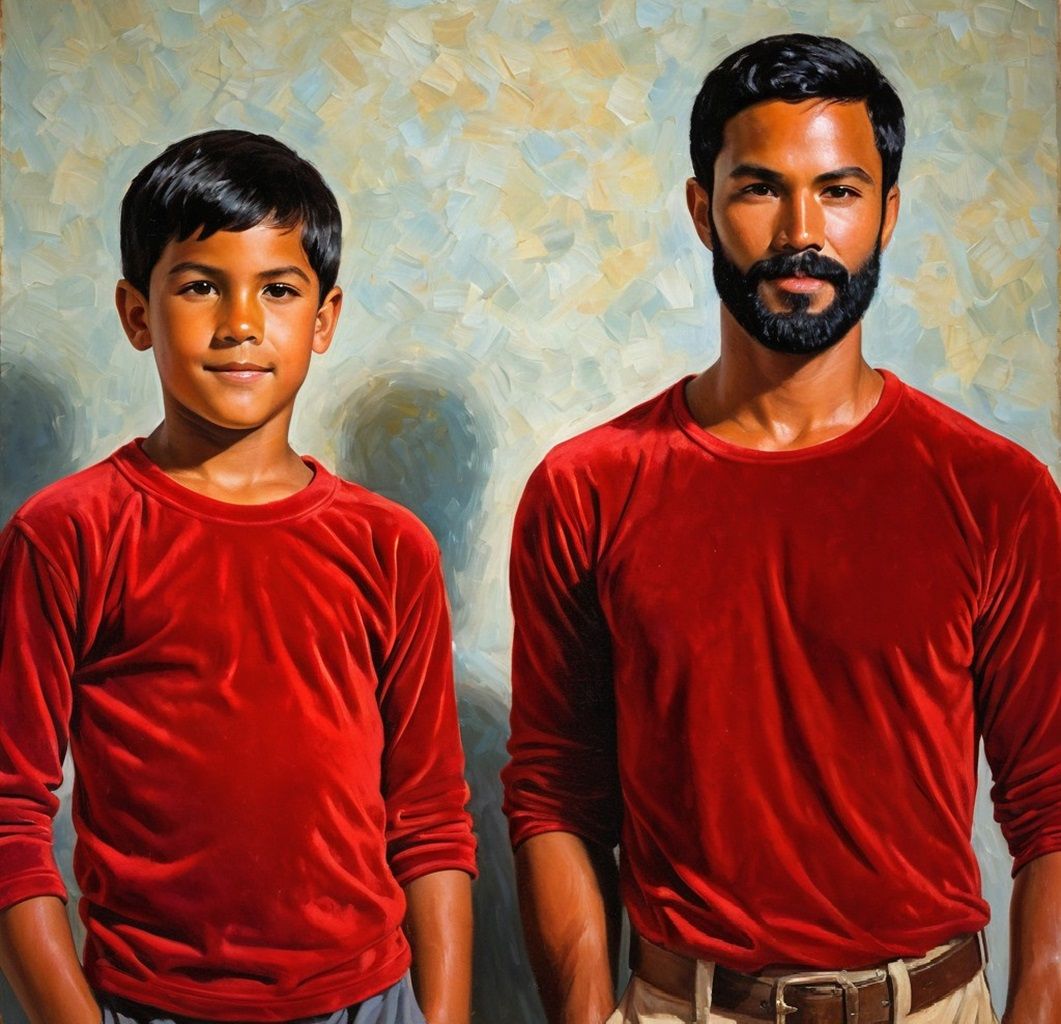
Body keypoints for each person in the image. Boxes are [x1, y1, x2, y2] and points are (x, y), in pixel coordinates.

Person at [502, 34, 1060, 1024]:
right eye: (758, 188)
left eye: (838, 191)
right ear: (699, 209)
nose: (801, 230)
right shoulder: (585, 489)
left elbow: (1051, 798)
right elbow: (555, 796)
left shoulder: (995, 491)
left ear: (885, 213)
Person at [0, 130, 476, 1024]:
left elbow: (431, 819)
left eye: (278, 289)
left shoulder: (389, 546)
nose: (241, 323)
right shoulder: (64, 535)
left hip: (373, 1004)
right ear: (136, 312)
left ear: (324, 319)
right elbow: (7, 817)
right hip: (147, 1007)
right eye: (199, 285)